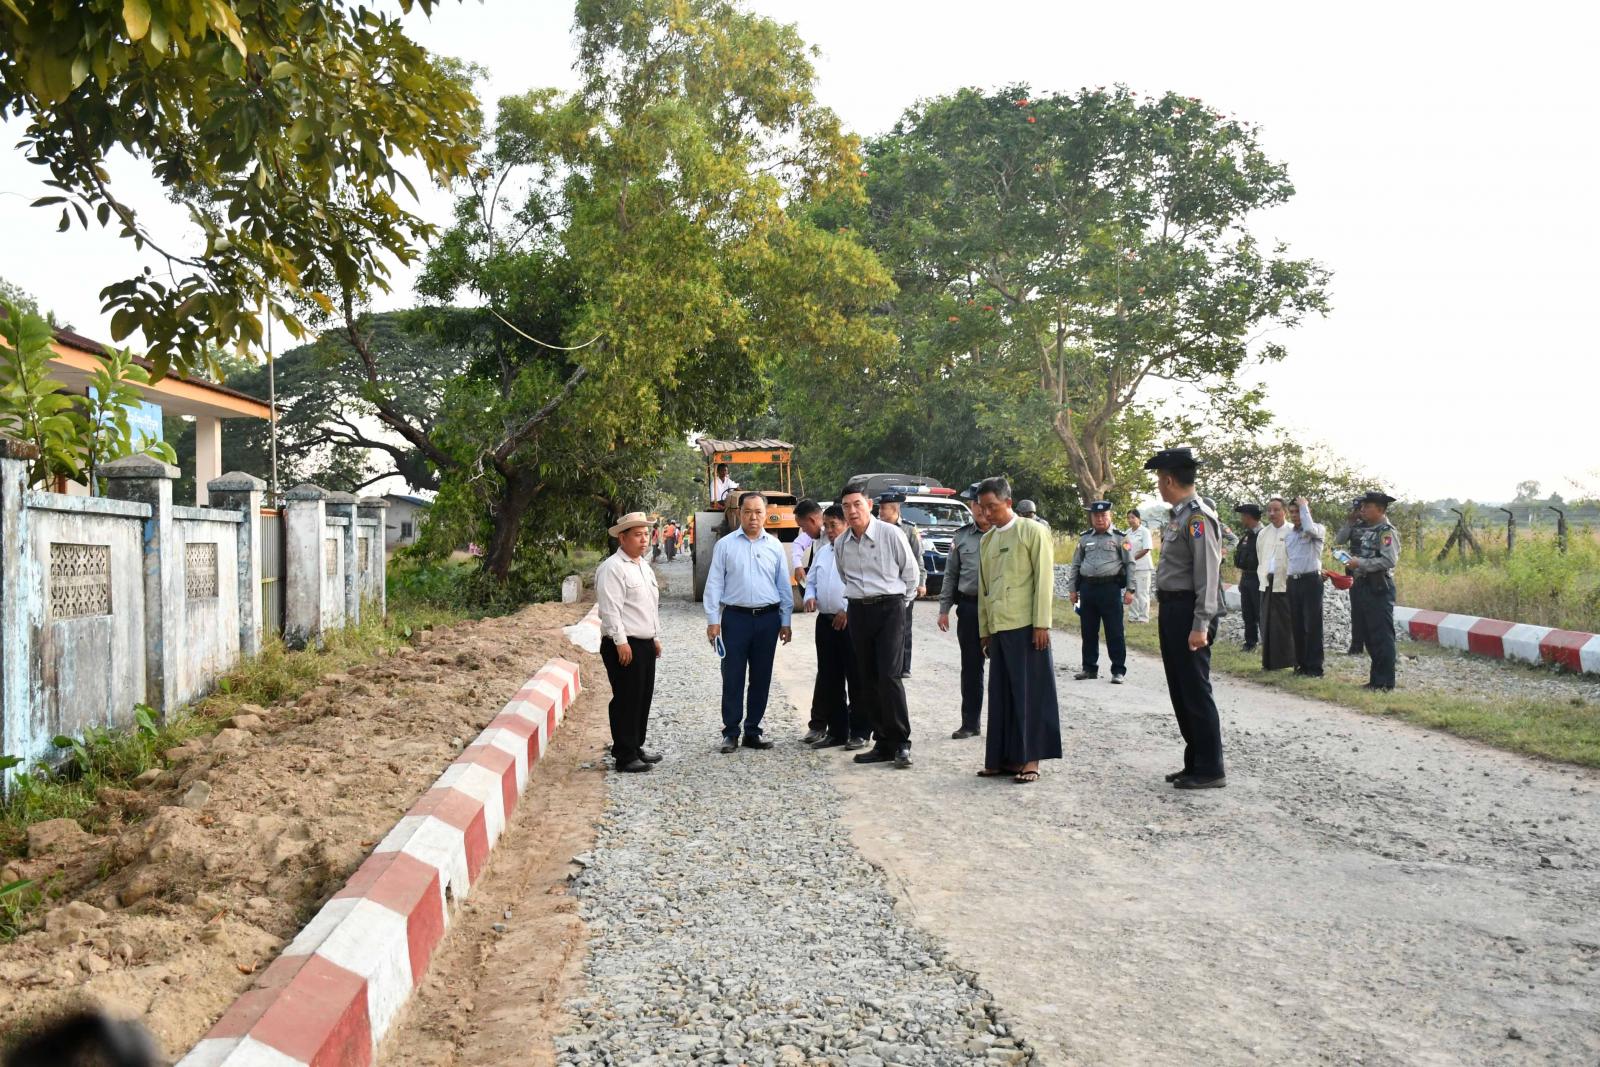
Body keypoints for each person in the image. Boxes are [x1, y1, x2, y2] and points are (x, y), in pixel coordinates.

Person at [1145, 447, 1225, 789]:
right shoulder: (1180, 516)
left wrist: (1200, 624)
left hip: (1189, 610)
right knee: (1181, 689)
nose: (1158, 486)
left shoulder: (1197, 517)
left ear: (1168, 480)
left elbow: (1208, 574)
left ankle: (1211, 768)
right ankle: (1195, 762)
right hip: (1173, 609)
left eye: (1159, 480)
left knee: (1194, 688)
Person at [975, 477, 1061, 784]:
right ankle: (1003, 760)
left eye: (993, 507)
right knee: (1001, 696)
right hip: (998, 627)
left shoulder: (1033, 531)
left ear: (1008, 502)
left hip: (1026, 627)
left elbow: (1044, 580)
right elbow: (984, 589)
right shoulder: (987, 540)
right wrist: (984, 629)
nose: (987, 514)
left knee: (1030, 695)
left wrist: (1041, 623)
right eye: (983, 508)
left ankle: (1031, 760)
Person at [833, 483, 920, 769]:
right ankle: (882, 742)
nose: (852, 510)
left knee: (889, 676)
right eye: (846, 506)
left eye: (857, 504)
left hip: (890, 608)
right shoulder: (841, 543)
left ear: (869, 505)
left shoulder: (890, 534)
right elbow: (845, 577)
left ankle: (901, 743)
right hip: (859, 610)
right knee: (867, 677)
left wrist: (900, 605)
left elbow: (911, 574)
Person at [703, 492, 793, 753]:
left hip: (768, 620)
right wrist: (713, 620)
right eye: (748, 512)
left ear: (766, 514)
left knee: (761, 677)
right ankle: (731, 732)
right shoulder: (725, 546)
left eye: (758, 512)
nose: (753, 517)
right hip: (735, 619)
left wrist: (785, 621)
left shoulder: (775, 546)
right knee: (732, 676)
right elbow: (714, 584)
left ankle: (753, 730)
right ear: (739, 514)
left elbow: (783, 586)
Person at [594, 513, 663, 773]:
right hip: (623, 643)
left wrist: (655, 637)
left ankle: (635, 746)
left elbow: (648, 606)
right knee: (626, 698)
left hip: (643, 642)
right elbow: (610, 609)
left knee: (642, 696)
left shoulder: (643, 566)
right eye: (637, 535)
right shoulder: (613, 568)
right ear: (622, 538)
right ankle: (624, 755)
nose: (644, 539)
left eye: (646, 534)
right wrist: (620, 642)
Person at [803, 506, 870, 749]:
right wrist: (810, 595)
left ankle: (860, 731)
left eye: (834, 525)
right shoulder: (822, 552)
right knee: (830, 678)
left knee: (856, 677)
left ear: (846, 525)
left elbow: (864, 584)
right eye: (827, 526)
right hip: (825, 622)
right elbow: (811, 581)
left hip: (851, 622)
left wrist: (847, 609)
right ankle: (837, 731)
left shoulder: (857, 550)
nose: (829, 531)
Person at [937, 491, 990, 739]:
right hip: (970, 608)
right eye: (974, 503)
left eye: (983, 502)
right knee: (971, 668)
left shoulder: (1005, 532)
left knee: (1004, 668)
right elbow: (951, 575)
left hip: (1000, 610)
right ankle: (970, 723)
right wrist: (944, 609)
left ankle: (1004, 725)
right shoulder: (962, 537)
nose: (979, 508)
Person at [1067, 501, 1135, 683]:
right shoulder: (1084, 538)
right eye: (1096, 516)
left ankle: (1118, 670)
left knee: (1115, 631)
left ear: (1110, 516)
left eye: (1103, 515)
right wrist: (1072, 589)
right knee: (1088, 630)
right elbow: (1076, 564)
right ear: (1091, 517)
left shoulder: (1121, 538)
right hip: (1087, 589)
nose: (1100, 519)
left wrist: (1130, 589)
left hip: (1110, 589)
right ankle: (1089, 668)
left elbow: (1130, 564)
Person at [1345, 491, 1402, 690]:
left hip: (1378, 587)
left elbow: (1389, 560)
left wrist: (1360, 563)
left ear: (1380, 509)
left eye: (1367, 507)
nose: (1363, 510)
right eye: (1363, 506)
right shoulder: (1369, 529)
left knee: (1382, 635)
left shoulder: (1386, 532)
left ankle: (1385, 682)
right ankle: (1376, 680)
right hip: (1364, 584)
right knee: (1370, 634)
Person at [790, 499, 831, 744]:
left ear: (814, 520)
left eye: (804, 527)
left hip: (850, 616)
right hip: (826, 616)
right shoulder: (818, 541)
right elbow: (799, 548)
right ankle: (819, 725)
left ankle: (855, 727)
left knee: (855, 675)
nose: (804, 532)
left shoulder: (844, 537)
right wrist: (798, 567)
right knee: (826, 673)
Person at [875, 492, 926, 678]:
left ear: (894, 509)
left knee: (904, 627)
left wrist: (921, 583)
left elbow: (918, 558)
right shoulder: (875, 528)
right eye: (880, 508)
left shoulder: (909, 530)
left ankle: (904, 666)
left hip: (904, 586)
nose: (880, 512)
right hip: (882, 586)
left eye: (883, 508)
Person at [1284, 495, 1327, 677]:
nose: (1295, 515)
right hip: (1294, 581)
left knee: (1312, 625)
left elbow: (1309, 528)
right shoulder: (1290, 535)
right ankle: (1300, 664)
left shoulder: (1317, 529)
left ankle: (1315, 667)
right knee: (1297, 624)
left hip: (1310, 580)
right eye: (1292, 512)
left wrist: (1304, 506)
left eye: (1298, 511)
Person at [1256, 497, 1295, 671]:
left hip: (1285, 582)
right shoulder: (1263, 533)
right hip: (1267, 581)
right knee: (1267, 622)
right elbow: (1260, 556)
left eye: (1276, 510)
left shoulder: (1292, 531)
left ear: (1284, 511)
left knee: (1284, 623)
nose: (1272, 513)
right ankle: (1269, 662)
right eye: (1269, 510)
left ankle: (1287, 660)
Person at [1333, 499, 1367, 654]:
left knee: (1371, 610)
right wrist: (1350, 523)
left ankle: (1373, 645)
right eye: (1357, 510)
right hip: (1355, 572)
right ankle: (1356, 645)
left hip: (1372, 571)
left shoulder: (1376, 526)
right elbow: (1339, 540)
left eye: (1361, 509)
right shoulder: (1354, 525)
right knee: (1357, 609)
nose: (1359, 512)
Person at [1232, 504, 1263, 652]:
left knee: (1260, 612)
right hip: (1246, 577)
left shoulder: (1263, 534)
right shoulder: (1247, 535)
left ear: (1249, 516)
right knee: (1247, 612)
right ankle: (1250, 643)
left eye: (1243, 516)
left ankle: (1268, 644)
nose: (1241, 519)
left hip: (1258, 578)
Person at [1125, 509, 1154, 623]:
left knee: (1142, 593)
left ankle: (1143, 618)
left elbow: (1146, 549)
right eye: (1128, 518)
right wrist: (1128, 557)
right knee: (1132, 592)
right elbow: (1126, 547)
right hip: (1131, 568)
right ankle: (1133, 616)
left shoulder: (1144, 531)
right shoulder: (1127, 532)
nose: (1130, 520)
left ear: (1139, 519)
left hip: (1143, 567)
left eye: (1133, 517)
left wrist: (1132, 559)